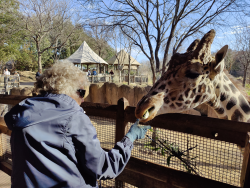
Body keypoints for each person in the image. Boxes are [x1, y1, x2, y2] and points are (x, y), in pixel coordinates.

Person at [4, 61, 150, 188]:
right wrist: (130, 138)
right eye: (81, 92)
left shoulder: (21, 114)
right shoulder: (73, 116)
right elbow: (103, 167)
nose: (83, 99)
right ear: (67, 89)